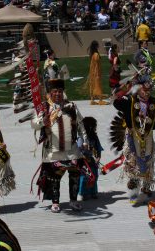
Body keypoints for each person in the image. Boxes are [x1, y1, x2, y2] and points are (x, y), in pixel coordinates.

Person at [112, 73, 155, 204]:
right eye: (144, 90)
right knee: (133, 163)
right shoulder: (129, 100)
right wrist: (127, 84)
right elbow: (115, 99)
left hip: (148, 138)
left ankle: (146, 186)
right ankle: (134, 189)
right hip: (132, 137)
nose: (147, 93)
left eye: (149, 90)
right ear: (138, 88)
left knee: (147, 162)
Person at [32, 79, 87, 213]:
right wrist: (42, 122)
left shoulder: (71, 106)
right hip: (53, 150)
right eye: (54, 91)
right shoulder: (44, 108)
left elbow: (80, 124)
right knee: (54, 177)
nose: (57, 94)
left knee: (74, 174)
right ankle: (55, 202)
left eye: (60, 91)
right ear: (50, 93)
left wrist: (84, 141)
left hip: (72, 149)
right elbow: (34, 123)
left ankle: (73, 201)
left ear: (63, 92)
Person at [77, 117, 102, 201]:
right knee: (84, 177)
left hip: (92, 160)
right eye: (95, 126)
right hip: (83, 161)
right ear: (90, 127)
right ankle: (82, 193)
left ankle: (93, 192)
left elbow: (98, 147)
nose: (96, 128)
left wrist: (98, 157)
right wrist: (82, 156)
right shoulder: (81, 137)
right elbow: (78, 148)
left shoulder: (95, 137)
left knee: (94, 175)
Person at [85, 40, 109, 105]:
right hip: (96, 73)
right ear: (96, 46)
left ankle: (92, 100)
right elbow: (96, 65)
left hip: (92, 73)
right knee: (98, 86)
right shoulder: (96, 54)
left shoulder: (92, 54)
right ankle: (100, 100)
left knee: (92, 86)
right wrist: (98, 74)